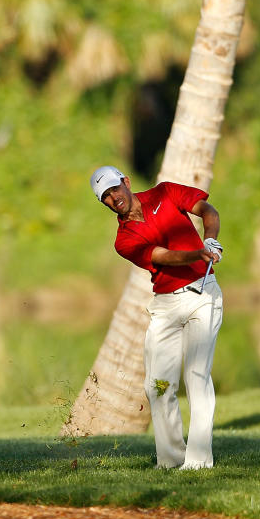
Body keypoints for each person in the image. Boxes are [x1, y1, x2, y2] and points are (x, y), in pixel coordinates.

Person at [90, 165, 224, 470]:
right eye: (106, 197)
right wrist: (197, 253)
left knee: (196, 376)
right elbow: (162, 256)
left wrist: (211, 239)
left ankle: (199, 462)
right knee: (158, 385)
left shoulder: (165, 192)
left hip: (203, 295)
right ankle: (171, 460)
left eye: (114, 189)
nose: (113, 198)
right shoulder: (123, 240)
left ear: (126, 181)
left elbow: (207, 210)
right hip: (165, 306)